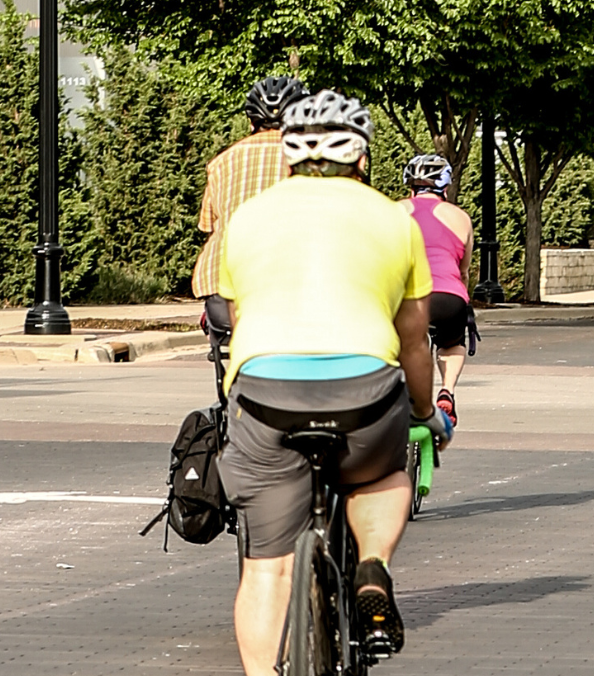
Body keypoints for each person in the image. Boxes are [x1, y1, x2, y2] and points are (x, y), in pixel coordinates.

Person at [216, 90, 453, 676]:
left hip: (266, 397)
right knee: (384, 472)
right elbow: (414, 336)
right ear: (363, 158)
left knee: (265, 569)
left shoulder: (249, 219)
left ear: (288, 157)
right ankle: (372, 565)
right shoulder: (393, 221)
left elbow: (239, 319)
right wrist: (426, 412)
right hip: (364, 392)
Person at [193, 75, 307, 344]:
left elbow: (207, 225)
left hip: (223, 296)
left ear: (250, 121)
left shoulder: (221, 162)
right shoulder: (311, 159)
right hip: (291, 291)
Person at [400, 154, 475, 424]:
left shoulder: (395, 211)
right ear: (445, 188)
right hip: (448, 296)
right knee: (452, 344)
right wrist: (463, 299)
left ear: (410, 186)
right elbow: (463, 270)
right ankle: (447, 391)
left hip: (407, 296)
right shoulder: (460, 217)